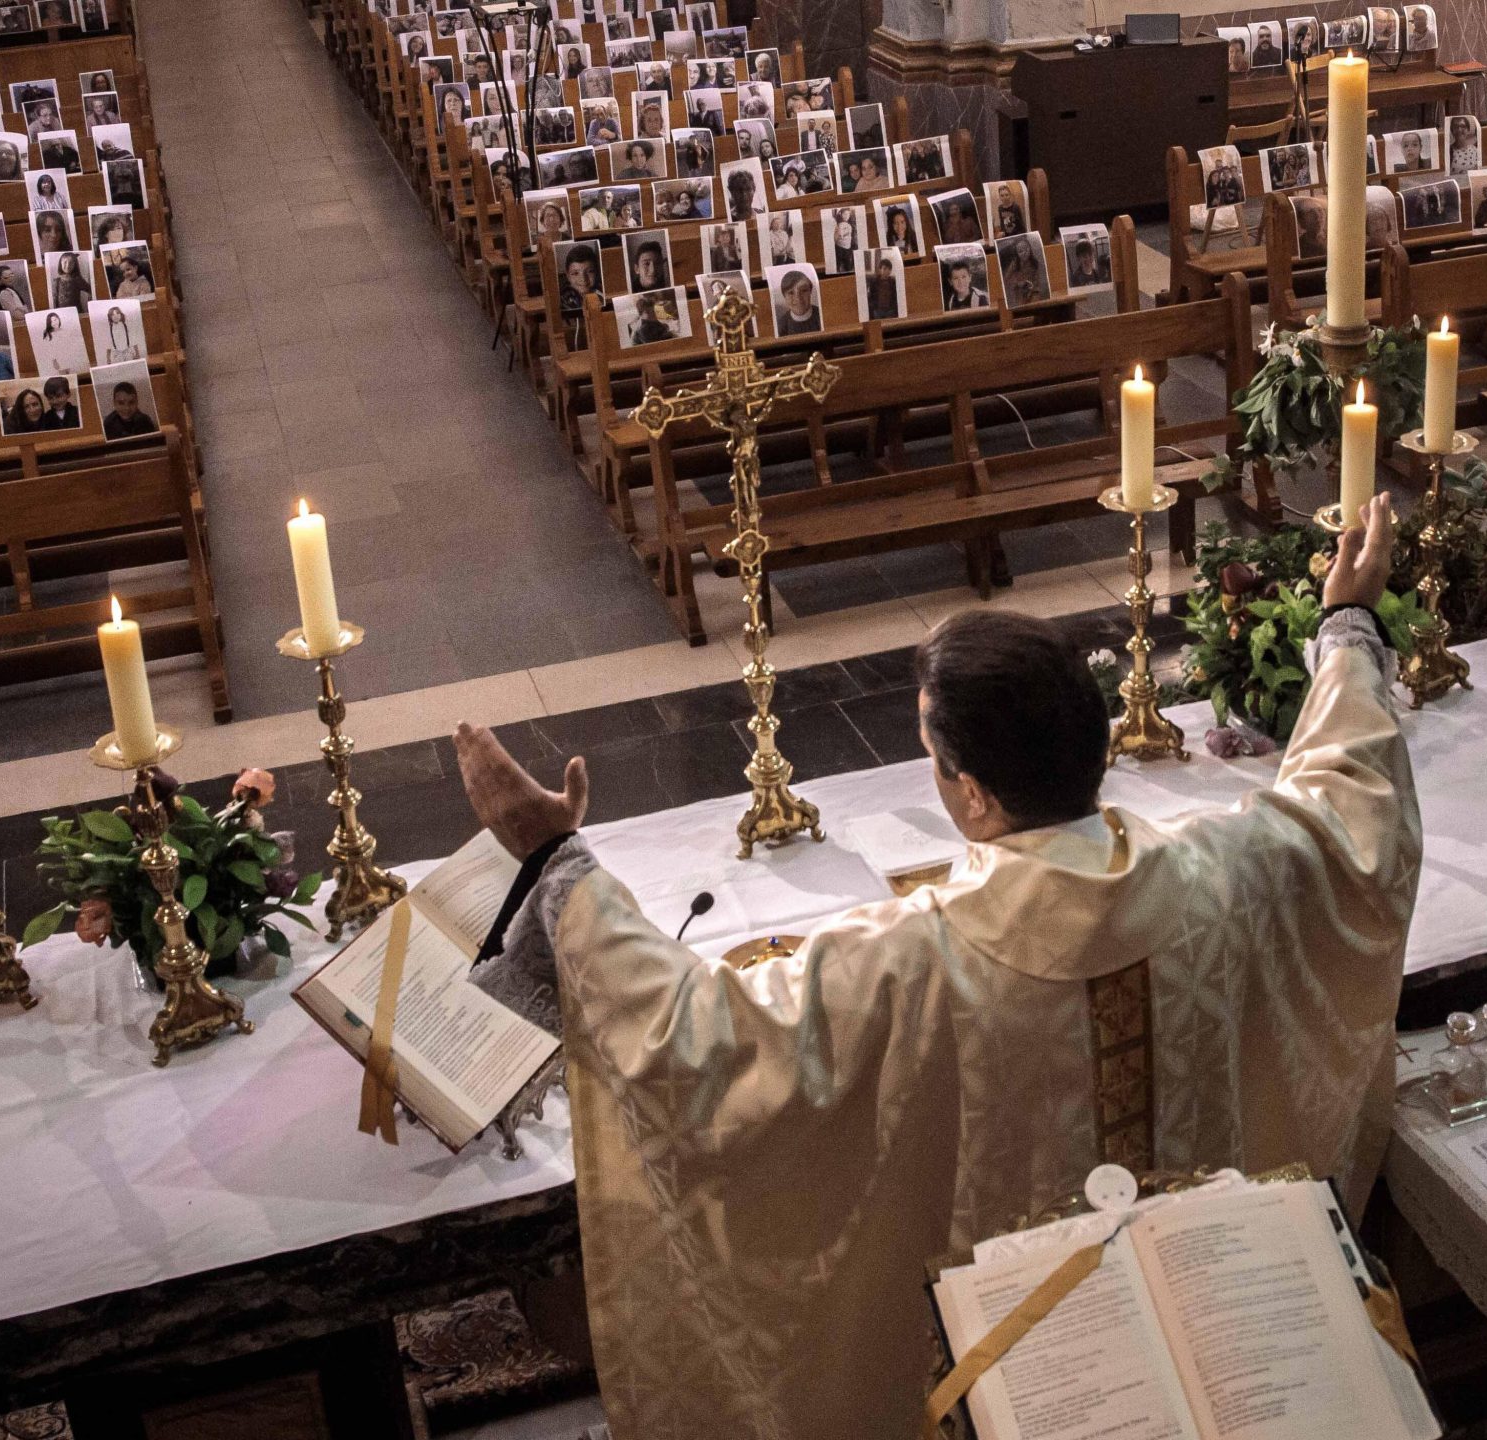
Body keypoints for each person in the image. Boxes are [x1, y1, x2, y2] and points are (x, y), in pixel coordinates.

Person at [450, 497, 1415, 1440]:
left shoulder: (916, 961)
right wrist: (1345, 624)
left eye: (931, 758)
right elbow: (1350, 806)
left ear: (975, 793)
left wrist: (555, 862)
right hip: (1218, 1319)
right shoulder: (1226, 875)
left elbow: (691, 1042)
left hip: (1023, 1379)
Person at [772, 267, 819, 335]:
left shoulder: (821, 315)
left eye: (803, 291)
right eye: (791, 293)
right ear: (784, 296)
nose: (798, 298)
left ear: (810, 291)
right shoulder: (782, 324)